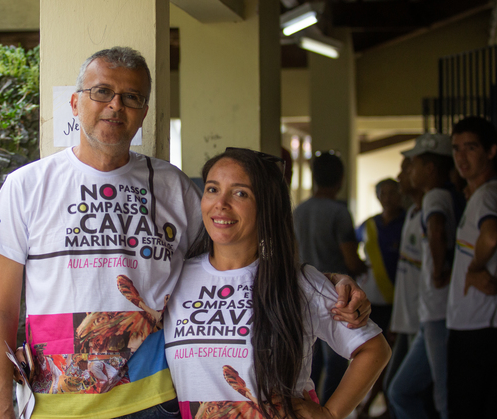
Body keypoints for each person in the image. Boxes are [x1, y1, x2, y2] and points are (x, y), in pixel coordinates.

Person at [0, 47, 370, 419]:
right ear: (75, 102)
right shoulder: (26, 186)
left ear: (144, 111)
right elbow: (0, 309)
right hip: (54, 402)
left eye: (131, 97)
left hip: (154, 402)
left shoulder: (172, 186)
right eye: (102, 92)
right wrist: (1, 411)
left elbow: (230, 257)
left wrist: (325, 282)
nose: (116, 105)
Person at [164, 148, 391, 419]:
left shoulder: (299, 283)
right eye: (212, 189)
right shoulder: (175, 276)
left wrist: (331, 413)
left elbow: (373, 348)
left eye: (240, 193)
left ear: (266, 205)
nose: (220, 203)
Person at [389, 133, 463, 419]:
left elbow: (436, 229)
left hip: (439, 310)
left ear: (430, 169)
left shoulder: (435, 196)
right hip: (429, 313)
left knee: (443, 395)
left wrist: (437, 271)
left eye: (414, 165)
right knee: (401, 390)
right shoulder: (438, 198)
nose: (408, 172)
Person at [446, 117, 497, 419]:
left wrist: (474, 269)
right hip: (489, 325)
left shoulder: (488, 193)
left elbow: (490, 236)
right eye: (456, 148)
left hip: (479, 326)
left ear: (490, 151)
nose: (461, 156)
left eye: (470, 147)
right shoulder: (487, 193)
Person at [294, 151, 368, 403]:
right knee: (337, 361)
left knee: (308, 363)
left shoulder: (299, 211)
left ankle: (309, 405)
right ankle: (328, 410)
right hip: (334, 298)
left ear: (314, 177)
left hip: (301, 294)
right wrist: (360, 270)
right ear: (341, 179)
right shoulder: (339, 212)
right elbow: (350, 259)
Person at [354, 178, 405, 418]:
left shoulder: (406, 221)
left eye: (392, 192)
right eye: (383, 193)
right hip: (373, 300)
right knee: (374, 355)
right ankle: (371, 403)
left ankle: (376, 404)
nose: (387, 197)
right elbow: (350, 246)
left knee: (393, 357)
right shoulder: (369, 225)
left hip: (400, 300)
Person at [382, 158, 426, 417]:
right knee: (394, 388)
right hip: (408, 318)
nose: (400, 177)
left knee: (401, 390)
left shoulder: (432, 208)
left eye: (407, 169)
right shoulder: (413, 213)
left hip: (425, 318)